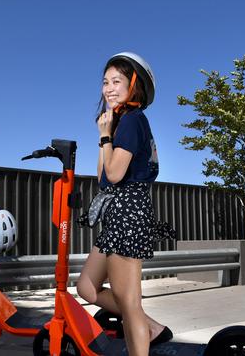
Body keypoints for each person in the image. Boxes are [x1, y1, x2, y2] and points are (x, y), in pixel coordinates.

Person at [77, 52, 175, 356]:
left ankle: (141, 336)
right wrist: (103, 135)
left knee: (128, 302)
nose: (108, 88)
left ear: (134, 85)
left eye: (116, 81)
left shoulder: (133, 121)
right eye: (105, 82)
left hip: (129, 210)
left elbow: (116, 174)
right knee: (87, 288)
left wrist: (106, 134)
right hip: (115, 211)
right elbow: (102, 177)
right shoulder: (121, 123)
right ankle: (151, 328)